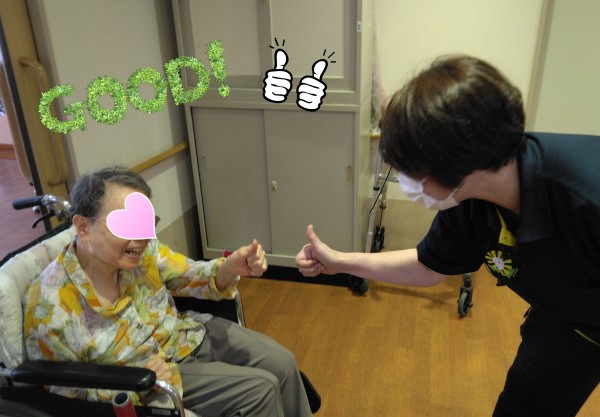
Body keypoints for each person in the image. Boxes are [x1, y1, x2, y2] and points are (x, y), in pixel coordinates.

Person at [296, 54, 600, 416]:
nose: (406, 181)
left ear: (457, 159)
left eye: (411, 170)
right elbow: (428, 266)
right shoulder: (468, 200)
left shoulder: (586, 192)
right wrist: (339, 261)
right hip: (565, 318)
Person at [25, 166, 313, 417]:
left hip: (185, 334)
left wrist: (230, 267)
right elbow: (64, 394)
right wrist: (138, 382)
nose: (143, 237)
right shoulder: (51, 306)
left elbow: (189, 274)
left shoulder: (143, 251)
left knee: (283, 362)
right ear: (83, 227)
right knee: (261, 389)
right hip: (155, 376)